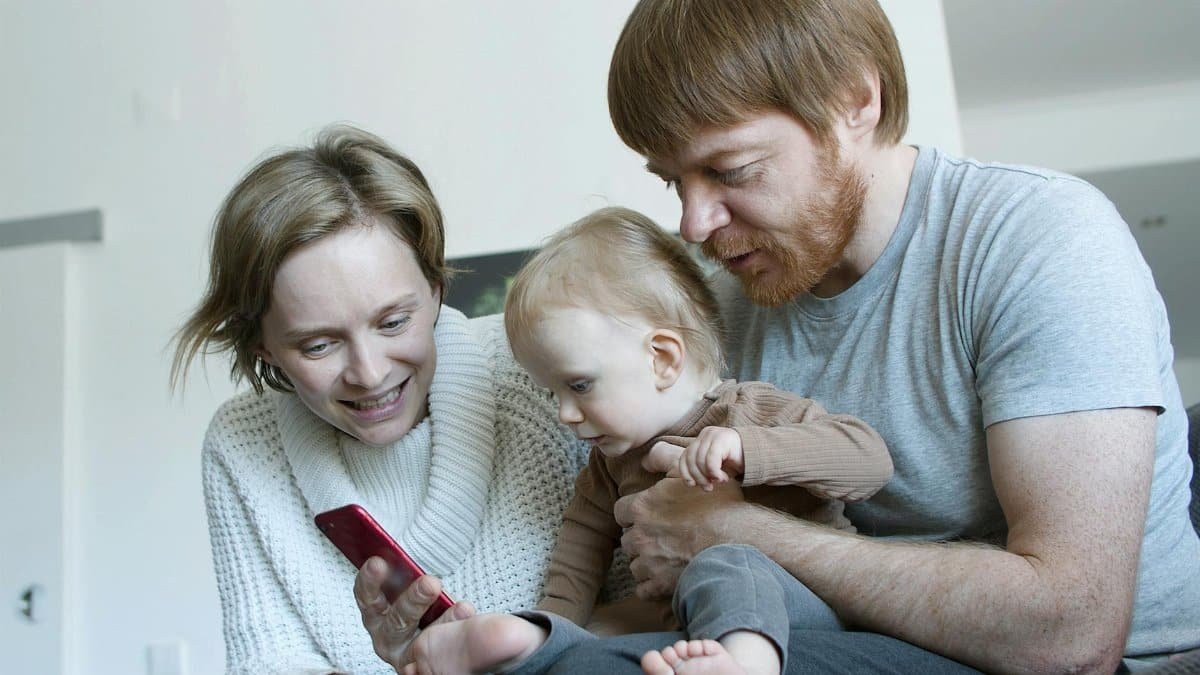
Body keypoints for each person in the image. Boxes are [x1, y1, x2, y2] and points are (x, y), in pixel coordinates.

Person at [542, 0, 1199, 672]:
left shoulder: (1039, 239)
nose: (693, 221)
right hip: (855, 639)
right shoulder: (722, 310)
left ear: (856, 100)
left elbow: (1071, 634)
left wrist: (736, 531)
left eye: (731, 171)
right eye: (673, 180)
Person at [171, 124, 609, 674]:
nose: (370, 372)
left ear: (436, 287)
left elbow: (658, 616)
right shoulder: (242, 445)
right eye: (319, 344)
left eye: (394, 321)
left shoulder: (540, 372)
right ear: (262, 347)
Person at [396, 206, 894, 675]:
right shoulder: (607, 468)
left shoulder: (747, 412)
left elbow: (869, 460)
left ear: (662, 359)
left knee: (728, 561)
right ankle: (523, 645)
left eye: (580, 386)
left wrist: (749, 451)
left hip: (810, 610)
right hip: (686, 620)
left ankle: (746, 662)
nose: (566, 414)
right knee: (604, 624)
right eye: (553, 394)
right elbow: (576, 564)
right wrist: (549, 617)